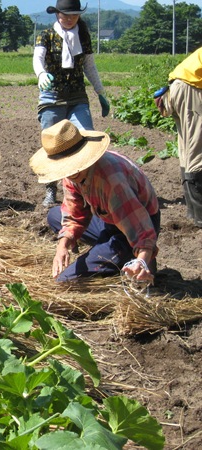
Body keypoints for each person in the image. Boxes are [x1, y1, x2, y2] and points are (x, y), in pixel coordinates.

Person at [29, 120, 161, 283]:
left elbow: (142, 230)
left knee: (66, 280)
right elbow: (73, 214)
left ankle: (133, 257)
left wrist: (142, 260)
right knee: (55, 216)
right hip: (109, 219)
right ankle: (106, 252)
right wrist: (62, 245)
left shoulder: (111, 182)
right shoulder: (73, 173)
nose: (68, 172)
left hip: (135, 226)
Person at [33, 0, 110, 207]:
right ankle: (51, 191)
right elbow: (37, 59)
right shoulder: (45, 35)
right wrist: (41, 74)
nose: (69, 19)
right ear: (57, 14)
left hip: (77, 96)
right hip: (52, 97)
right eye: (65, 15)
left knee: (87, 138)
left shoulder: (83, 36)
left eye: (74, 15)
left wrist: (100, 93)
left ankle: (86, 190)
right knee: (53, 145)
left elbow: (90, 67)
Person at [154, 47, 202, 227]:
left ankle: (194, 212)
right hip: (191, 88)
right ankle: (199, 215)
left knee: (188, 147)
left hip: (183, 86)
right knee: (197, 149)